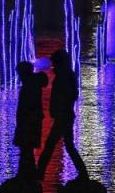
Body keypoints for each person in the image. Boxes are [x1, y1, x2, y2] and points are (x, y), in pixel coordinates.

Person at [37, 50, 88, 181]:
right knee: (68, 145)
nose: (53, 66)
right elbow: (72, 95)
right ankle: (83, 173)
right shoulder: (67, 75)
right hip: (65, 115)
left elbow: (64, 96)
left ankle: (39, 175)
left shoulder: (62, 77)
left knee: (51, 145)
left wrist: (57, 109)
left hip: (62, 116)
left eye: (54, 63)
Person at [14, 61, 49, 179]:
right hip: (33, 120)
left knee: (25, 148)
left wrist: (21, 121)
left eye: (19, 73)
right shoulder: (33, 83)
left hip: (28, 121)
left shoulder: (29, 85)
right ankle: (30, 173)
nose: (18, 76)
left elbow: (25, 106)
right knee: (27, 149)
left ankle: (24, 174)